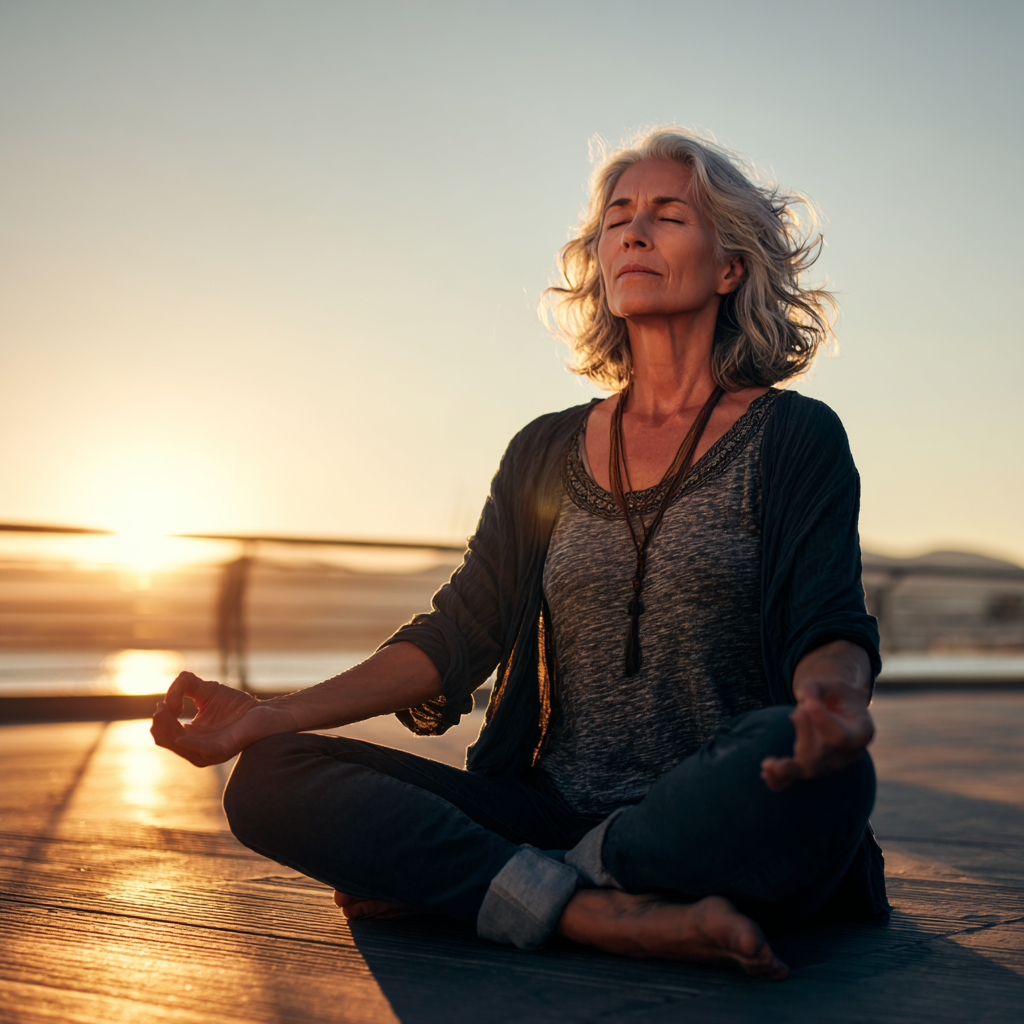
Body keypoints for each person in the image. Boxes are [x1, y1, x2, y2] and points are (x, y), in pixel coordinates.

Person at [152, 127, 888, 981]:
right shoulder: (546, 449)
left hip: (711, 812)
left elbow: (826, 620)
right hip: (543, 809)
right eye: (617, 218)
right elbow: (460, 630)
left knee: (822, 781)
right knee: (271, 778)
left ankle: (506, 890)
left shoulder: (794, 437)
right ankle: (595, 912)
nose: (633, 232)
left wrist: (828, 706)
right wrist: (273, 714)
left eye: (667, 214)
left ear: (729, 267)